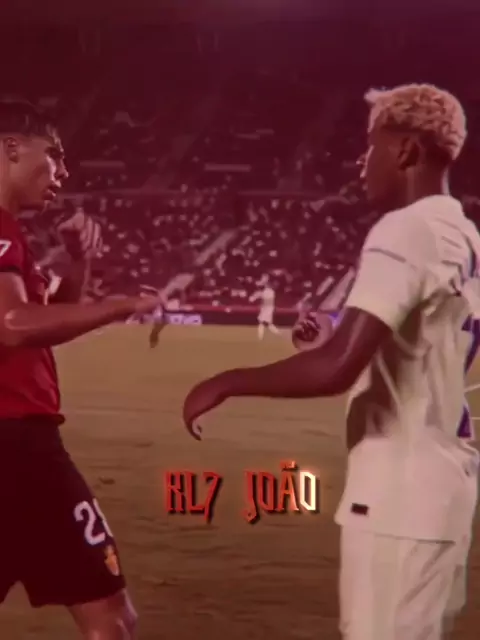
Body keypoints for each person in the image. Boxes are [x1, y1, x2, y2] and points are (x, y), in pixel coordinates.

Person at [182, 84, 480, 640]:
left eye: (372, 146)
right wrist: (332, 341)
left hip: (400, 494)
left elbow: (335, 370)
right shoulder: (462, 233)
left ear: (407, 150)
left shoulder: (406, 229)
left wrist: (226, 382)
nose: (361, 162)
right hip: (443, 488)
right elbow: (417, 353)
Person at [0, 101, 161, 639]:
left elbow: (35, 330)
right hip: (18, 449)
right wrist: (119, 305)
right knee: (111, 620)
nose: (63, 172)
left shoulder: (11, 234)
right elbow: (15, 325)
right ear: (12, 148)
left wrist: (78, 262)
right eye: (55, 155)